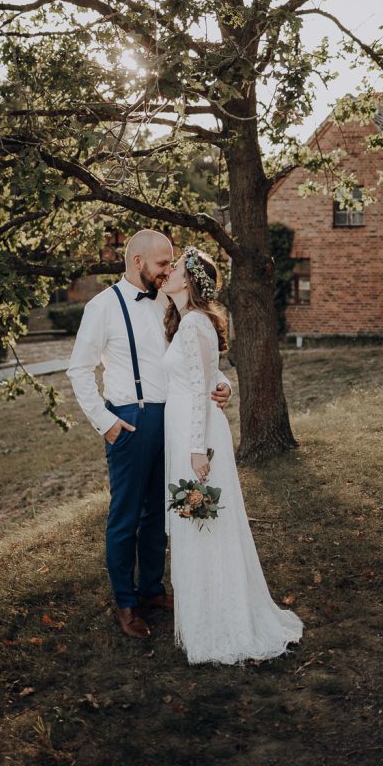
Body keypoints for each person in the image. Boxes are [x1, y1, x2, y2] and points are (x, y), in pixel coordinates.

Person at [66, 229, 232, 640]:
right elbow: (79, 369)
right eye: (161, 263)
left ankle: (153, 589)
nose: (166, 272)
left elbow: (190, 361)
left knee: (161, 512)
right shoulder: (102, 306)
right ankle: (126, 602)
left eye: (170, 265)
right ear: (137, 261)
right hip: (131, 420)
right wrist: (104, 421)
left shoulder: (172, 303)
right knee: (125, 515)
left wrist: (223, 382)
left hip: (175, 420)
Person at [161, 246, 303, 664]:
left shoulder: (192, 325)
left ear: (188, 280)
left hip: (197, 435)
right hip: (192, 429)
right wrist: (222, 385)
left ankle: (219, 622)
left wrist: (194, 450)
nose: (167, 273)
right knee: (201, 526)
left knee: (206, 527)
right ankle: (208, 612)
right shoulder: (188, 322)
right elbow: (206, 375)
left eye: (174, 269)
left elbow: (198, 390)